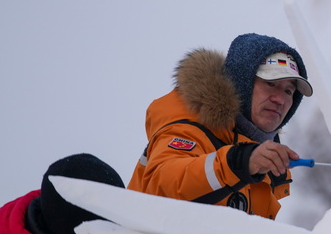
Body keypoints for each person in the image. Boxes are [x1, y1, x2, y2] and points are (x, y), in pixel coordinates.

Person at [128, 33, 313, 219]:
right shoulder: (191, 123)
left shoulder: (264, 159)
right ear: (242, 82)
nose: (280, 99)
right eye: (270, 84)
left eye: (289, 91)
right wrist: (239, 163)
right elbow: (161, 186)